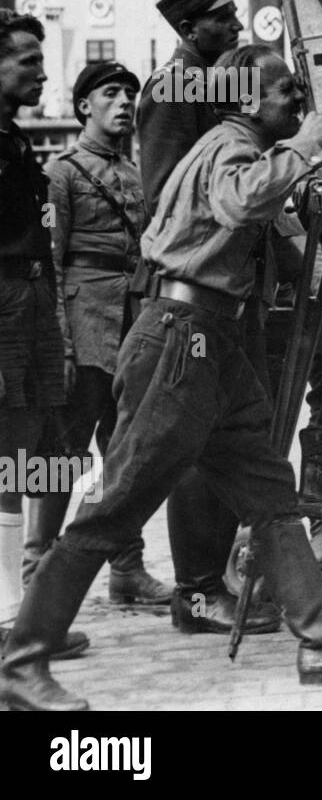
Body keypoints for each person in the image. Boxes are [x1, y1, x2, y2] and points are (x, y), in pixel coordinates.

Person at [0, 45, 322, 712]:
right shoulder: (230, 147)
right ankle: (22, 662)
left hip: (209, 338)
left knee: (270, 491)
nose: (298, 105)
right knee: (116, 506)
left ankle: (318, 640)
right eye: (286, 94)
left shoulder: (241, 144)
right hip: (181, 337)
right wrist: (306, 144)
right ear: (249, 97)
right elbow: (238, 201)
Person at [135, 0, 283, 637]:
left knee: (232, 434)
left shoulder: (218, 84)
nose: (233, 26)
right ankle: (195, 588)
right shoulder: (174, 88)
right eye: (220, 19)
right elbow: (166, 190)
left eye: (234, 15)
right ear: (188, 28)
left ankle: (219, 576)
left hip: (232, 286)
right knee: (196, 440)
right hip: (197, 286)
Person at [30, 63, 170, 607]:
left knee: (125, 455)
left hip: (129, 327)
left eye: (130, 94)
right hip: (83, 327)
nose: (124, 102)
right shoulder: (59, 175)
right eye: (111, 93)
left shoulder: (137, 175)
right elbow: (49, 259)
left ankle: (127, 570)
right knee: (60, 453)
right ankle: (36, 574)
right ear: (84, 105)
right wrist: (59, 345)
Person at [0, 11, 89, 661]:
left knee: (29, 451)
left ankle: (20, 613)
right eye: (27, 59)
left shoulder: (14, 138)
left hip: (30, 299)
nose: (40, 70)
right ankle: (9, 618)